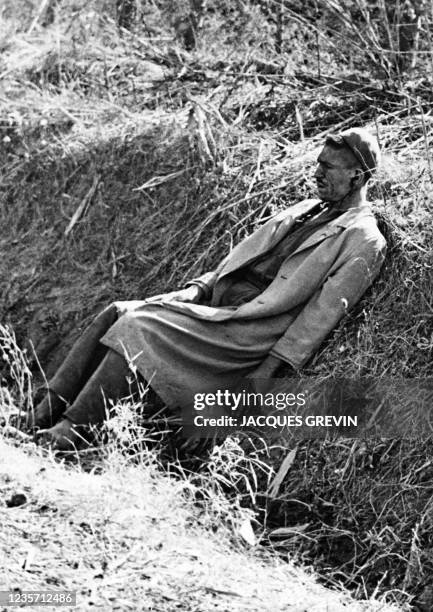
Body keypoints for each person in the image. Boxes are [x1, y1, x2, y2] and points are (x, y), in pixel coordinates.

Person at [32, 127, 387, 450]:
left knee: (138, 326)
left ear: (356, 176)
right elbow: (234, 264)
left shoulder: (364, 239)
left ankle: (74, 429)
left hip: (247, 332)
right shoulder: (307, 209)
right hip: (217, 310)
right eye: (317, 164)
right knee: (119, 311)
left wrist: (262, 377)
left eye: (328, 167)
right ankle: (44, 411)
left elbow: (319, 318)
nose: (317, 173)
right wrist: (196, 290)